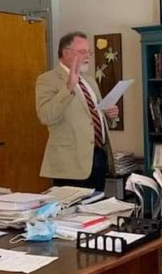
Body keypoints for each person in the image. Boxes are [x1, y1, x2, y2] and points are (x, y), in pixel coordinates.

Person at [35, 32, 119, 191]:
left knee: (96, 211)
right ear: (66, 53)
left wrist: (109, 114)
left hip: (98, 157)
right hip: (70, 164)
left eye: (89, 52)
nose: (87, 56)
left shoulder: (90, 80)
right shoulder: (48, 80)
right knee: (73, 215)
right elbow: (45, 116)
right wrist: (69, 87)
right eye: (82, 52)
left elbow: (93, 116)